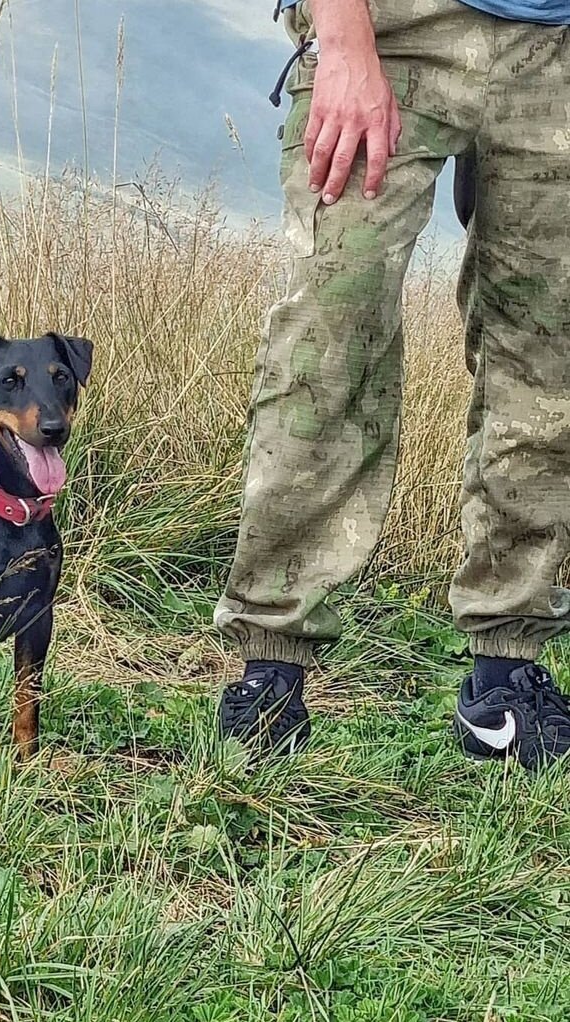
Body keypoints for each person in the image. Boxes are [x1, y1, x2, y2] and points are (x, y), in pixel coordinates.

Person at [214, 0, 570, 771]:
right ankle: (271, 666)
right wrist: (341, 39)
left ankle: (505, 678)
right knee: (331, 339)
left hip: (554, 42)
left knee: (549, 364)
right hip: (392, 19)